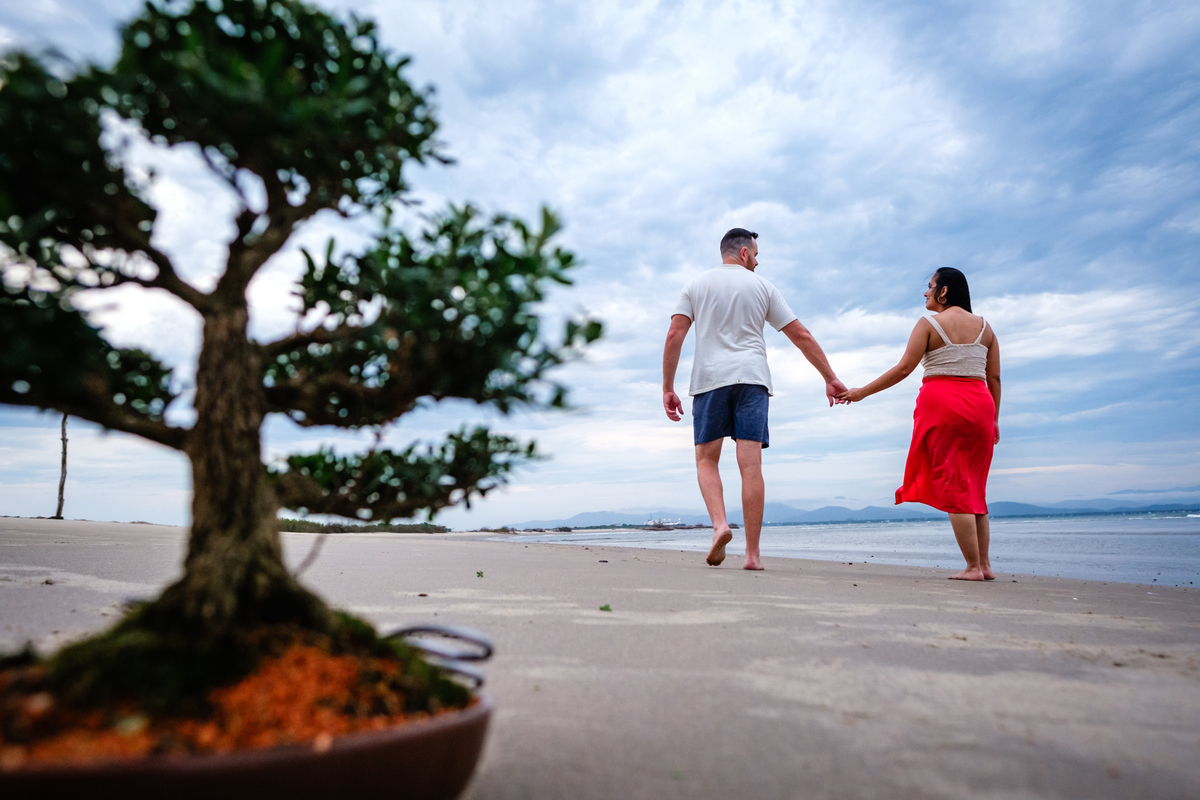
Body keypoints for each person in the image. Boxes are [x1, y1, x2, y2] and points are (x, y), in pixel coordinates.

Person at [662, 228, 847, 570]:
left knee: (706, 460)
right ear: (744, 253)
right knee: (750, 467)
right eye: (757, 255)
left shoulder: (695, 286)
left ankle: (720, 525)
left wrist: (668, 387)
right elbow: (801, 335)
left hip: (710, 380)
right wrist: (830, 377)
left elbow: (675, 333)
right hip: (753, 379)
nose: (758, 263)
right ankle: (752, 555)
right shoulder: (764, 287)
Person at [838, 268, 1001, 581]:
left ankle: (972, 568)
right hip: (981, 406)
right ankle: (985, 566)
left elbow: (903, 369)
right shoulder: (986, 328)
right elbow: (993, 377)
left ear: (943, 291)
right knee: (974, 487)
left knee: (954, 484)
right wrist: (994, 418)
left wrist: (861, 392)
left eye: (929, 286)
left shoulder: (929, 324)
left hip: (944, 406)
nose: (925, 292)